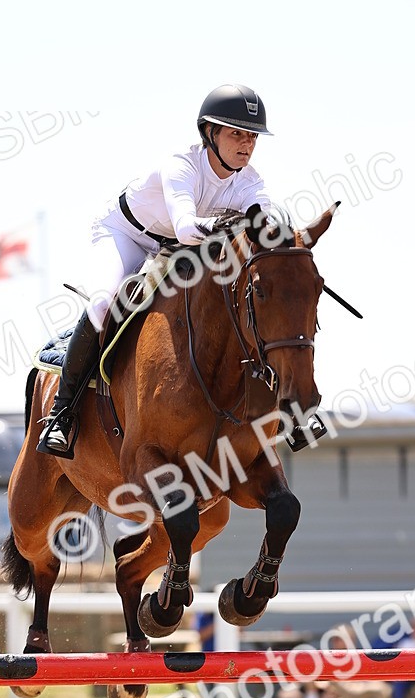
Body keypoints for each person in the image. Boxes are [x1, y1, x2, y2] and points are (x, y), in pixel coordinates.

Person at [38, 83, 274, 457]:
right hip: (127, 234)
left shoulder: (250, 181)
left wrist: (270, 228)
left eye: (252, 136)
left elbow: (264, 214)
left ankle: (286, 411)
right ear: (210, 133)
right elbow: (185, 227)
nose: (246, 143)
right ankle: (61, 415)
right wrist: (230, 226)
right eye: (236, 133)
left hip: (177, 249)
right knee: (104, 304)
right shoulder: (181, 164)